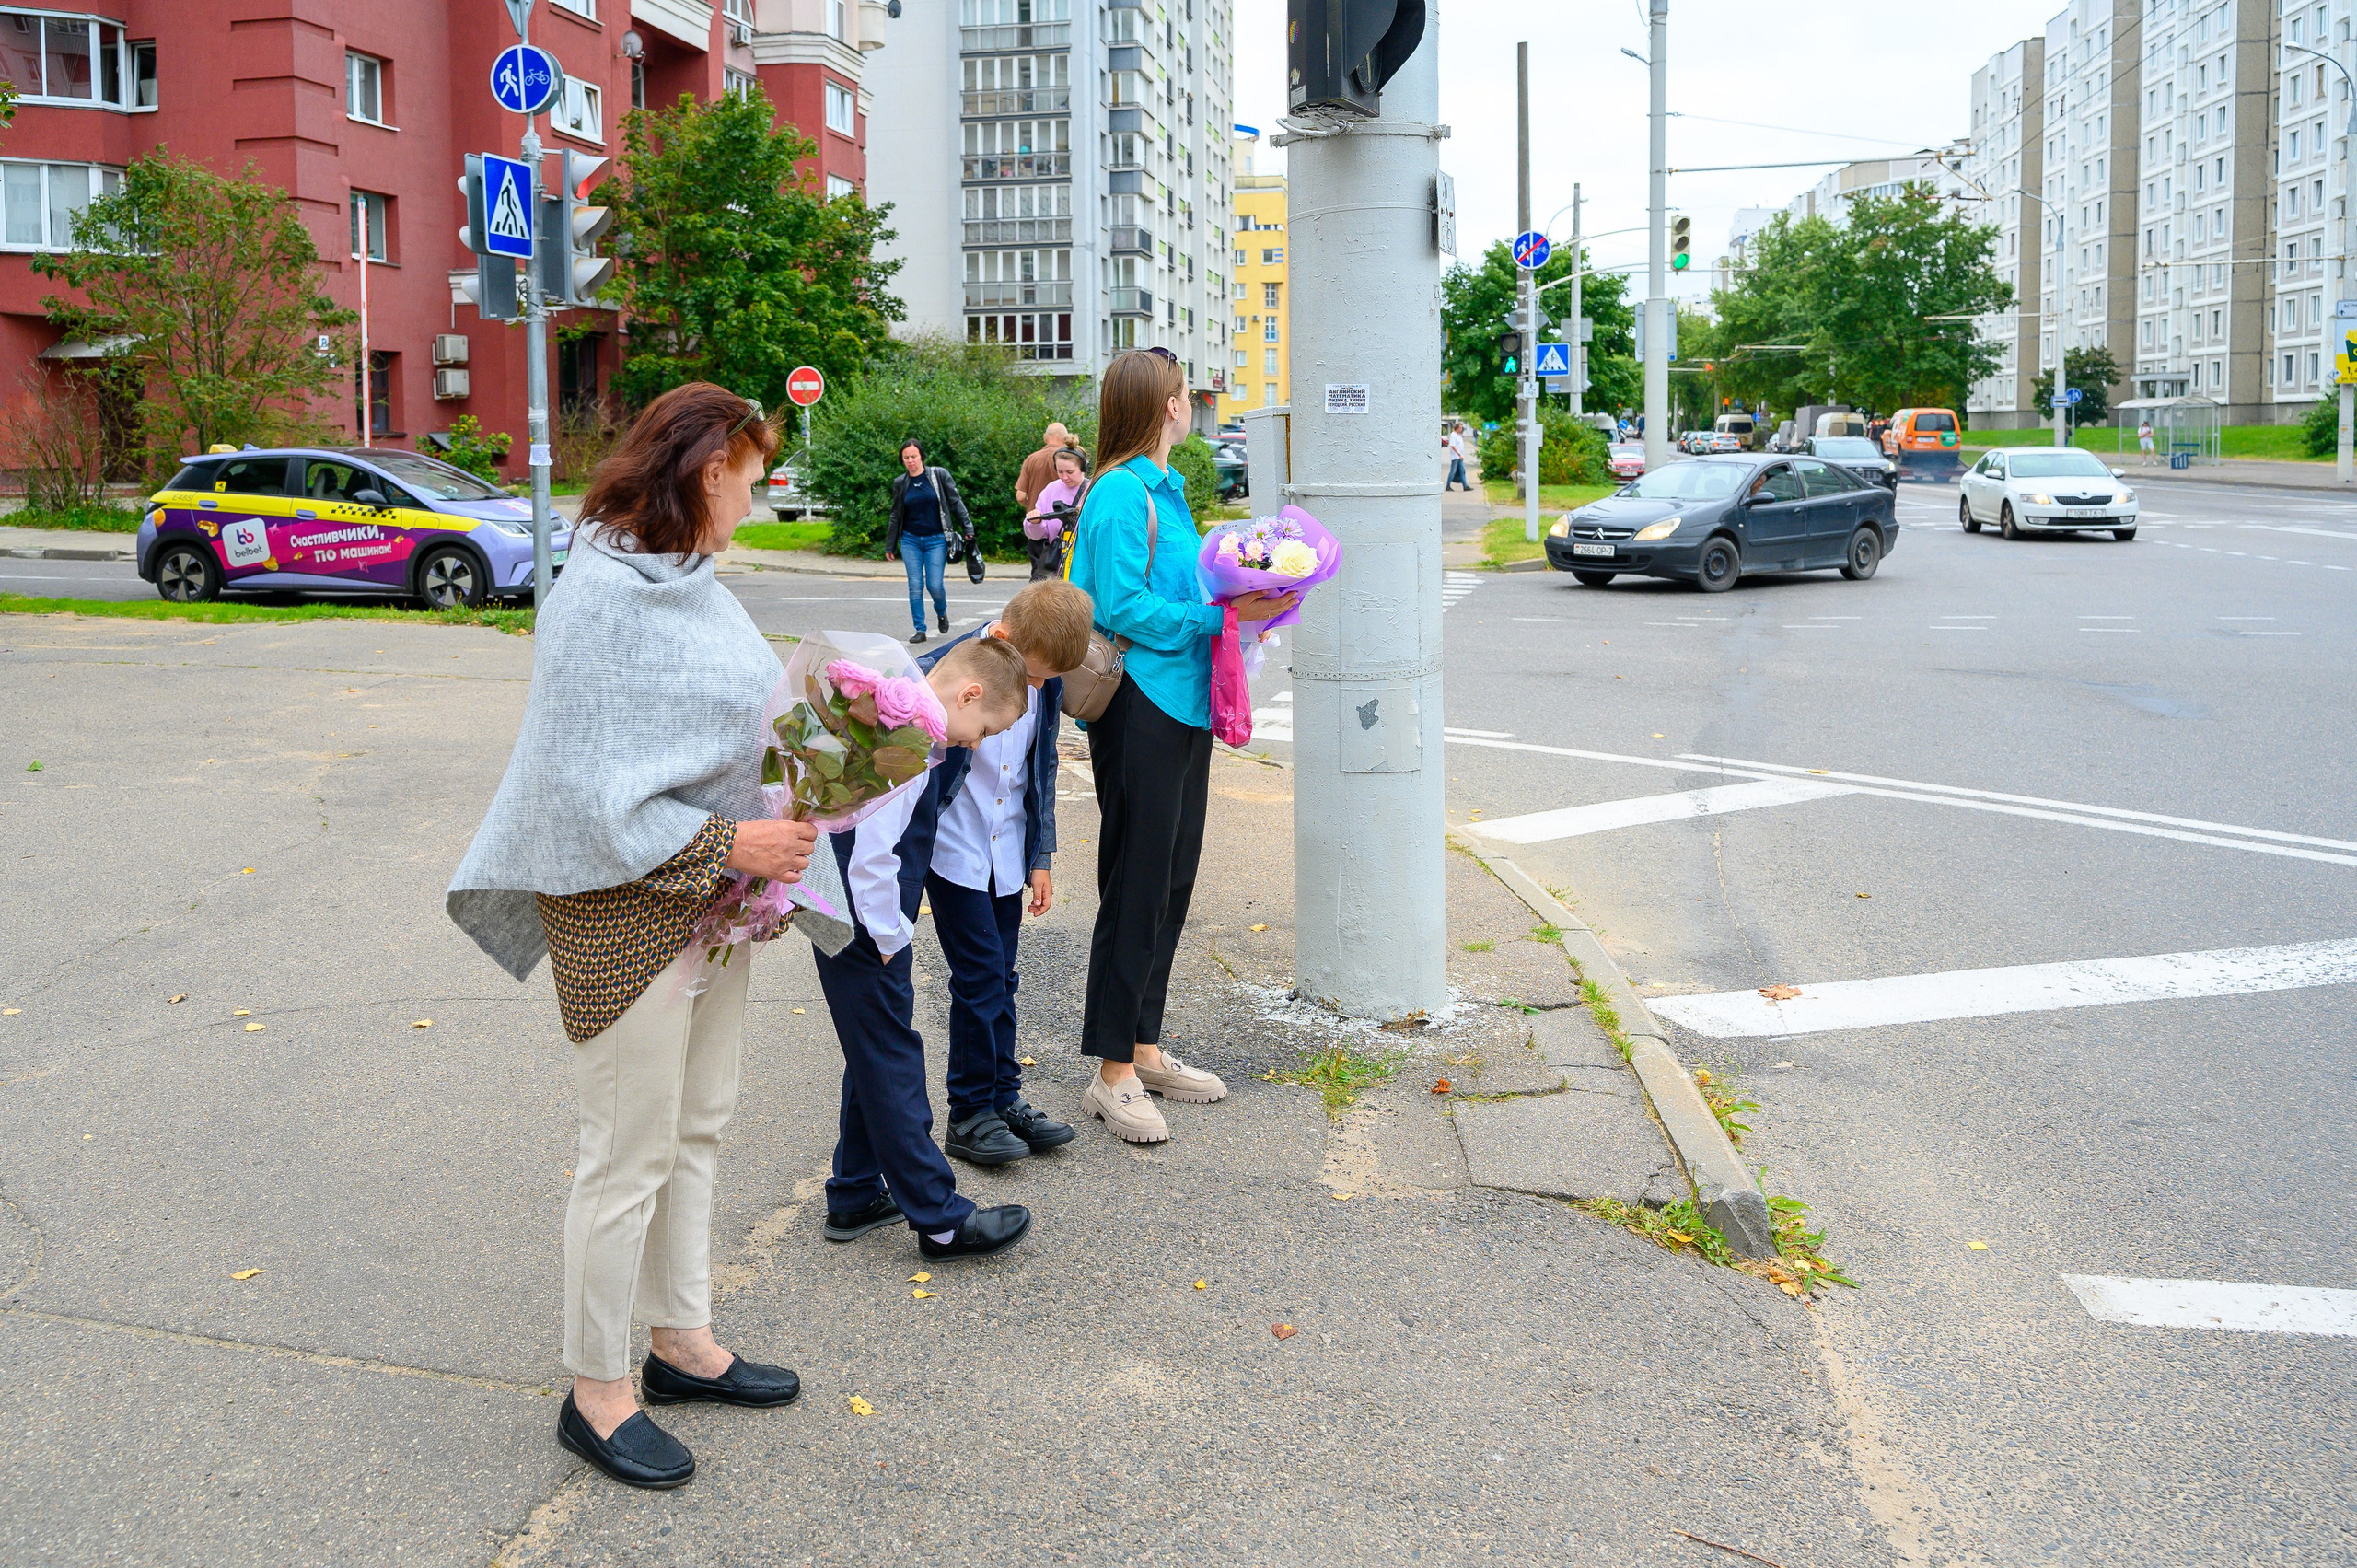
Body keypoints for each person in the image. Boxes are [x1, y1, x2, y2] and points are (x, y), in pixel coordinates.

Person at [447, 382, 822, 1492]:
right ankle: (597, 1388)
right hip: (622, 909)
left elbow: (733, 720)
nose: (756, 500)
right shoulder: (599, 595)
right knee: (625, 1154)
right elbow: (581, 786)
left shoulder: (691, 581)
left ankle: (681, 1339)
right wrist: (731, 843)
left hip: (710, 900)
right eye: (752, 477)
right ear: (710, 470)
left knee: (697, 1127)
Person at [1065, 347, 1298, 1144]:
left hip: (1183, 705)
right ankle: (1112, 1073)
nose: (1191, 404)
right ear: (1162, 406)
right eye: (1182, 394)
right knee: (1135, 880)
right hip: (1138, 705)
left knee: (1171, 877)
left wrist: (1247, 587)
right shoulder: (1120, 492)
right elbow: (1122, 606)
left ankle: (1145, 1044)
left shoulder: (1166, 488)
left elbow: (1186, 586)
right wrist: (1222, 618)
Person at [813, 633, 1039, 1260]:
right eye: (985, 725)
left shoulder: (898, 712)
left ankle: (856, 1191)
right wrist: (889, 936)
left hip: (839, 906)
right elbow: (872, 857)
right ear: (968, 694)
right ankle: (939, 1218)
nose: (978, 741)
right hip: (865, 918)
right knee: (893, 1054)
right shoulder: (911, 742)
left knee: (875, 1042)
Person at [891, 578, 1096, 1166]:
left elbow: (1043, 767)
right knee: (980, 978)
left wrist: (1041, 856)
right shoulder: (939, 675)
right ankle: (971, 1112)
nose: (1037, 691)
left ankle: (1005, 1096)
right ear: (1003, 640)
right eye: (1032, 677)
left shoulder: (1045, 682)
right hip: (953, 850)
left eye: (1046, 682)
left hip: (1007, 852)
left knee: (1003, 977)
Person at [885, 438, 973, 644]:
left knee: (934, 585)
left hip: (936, 539)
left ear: (921, 456)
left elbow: (955, 502)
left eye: (914, 456)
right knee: (915, 585)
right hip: (910, 540)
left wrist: (968, 528)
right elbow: (895, 515)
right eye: (906, 457)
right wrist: (890, 544)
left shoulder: (938, 476)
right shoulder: (901, 483)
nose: (910, 461)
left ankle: (941, 612)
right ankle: (920, 629)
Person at [1015, 422, 1074, 579]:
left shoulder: (1031, 459)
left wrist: (1032, 510)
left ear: (1045, 438)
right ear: (1064, 438)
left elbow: (1020, 495)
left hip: (1037, 530)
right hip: (1067, 531)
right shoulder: (1069, 460)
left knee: (1040, 577)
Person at [1022, 446, 1089, 581]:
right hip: (1058, 568)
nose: (1065, 477)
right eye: (1060, 472)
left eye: (1070, 472)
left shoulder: (1093, 490)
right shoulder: (1051, 490)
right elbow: (1035, 536)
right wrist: (1035, 523)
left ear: (1083, 468)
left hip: (1085, 567)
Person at [1444, 423, 1469, 491]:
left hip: (1460, 457)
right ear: (1457, 428)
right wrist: (1458, 454)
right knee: (1453, 471)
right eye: (1460, 428)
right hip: (1455, 457)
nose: (1461, 429)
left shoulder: (1459, 435)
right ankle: (1448, 486)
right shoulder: (1453, 435)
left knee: (1462, 471)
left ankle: (1465, 486)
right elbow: (1453, 445)